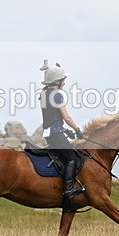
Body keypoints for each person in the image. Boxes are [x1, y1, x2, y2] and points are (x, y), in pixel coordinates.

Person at [39, 59, 84, 205]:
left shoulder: (44, 93)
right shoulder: (57, 95)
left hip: (49, 133)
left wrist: (65, 130)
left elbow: (51, 118)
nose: (65, 82)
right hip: (55, 134)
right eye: (63, 79)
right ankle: (69, 189)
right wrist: (77, 130)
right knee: (73, 159)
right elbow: (67, 117)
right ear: (57, 81)